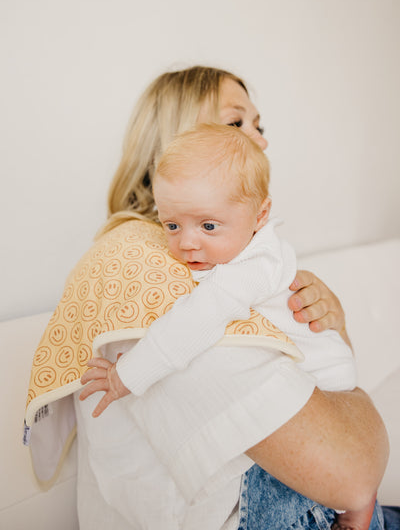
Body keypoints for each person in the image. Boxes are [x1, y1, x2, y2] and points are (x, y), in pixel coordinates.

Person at [27, 66, 394, 529]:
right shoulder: (145, 263)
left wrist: (334, 322)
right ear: (176, 140)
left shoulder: (230, 252)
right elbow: (351, 473)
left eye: (259, 125)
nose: (260, 141)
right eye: (235, 123)